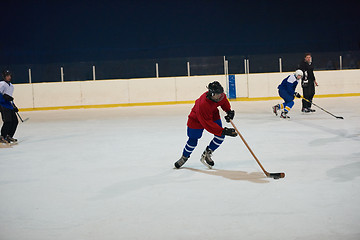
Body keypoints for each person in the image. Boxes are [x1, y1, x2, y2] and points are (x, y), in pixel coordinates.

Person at [174, 81, 237, 169]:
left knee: (220, 136)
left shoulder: (220, 96)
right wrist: (223, 131)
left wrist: (228, 111)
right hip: (196, 119)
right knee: (193, 140)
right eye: (218, 94)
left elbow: (224, 102)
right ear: (212, 94)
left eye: (221, 93)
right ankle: (184, 157)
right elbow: (208, 125)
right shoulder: (203, 104)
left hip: (213, 114)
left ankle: (207, 153)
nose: (220, 96)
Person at [0, 70, 19, 144]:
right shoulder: (1, 84)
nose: (9, 77)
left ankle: (9, 135)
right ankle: (2, 136)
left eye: (10, 76)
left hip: (9, 105)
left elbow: (10, 97)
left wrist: (14, 106)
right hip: (2, 105)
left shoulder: (11, 86)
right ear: (4, 77)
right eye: (7, 76)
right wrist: (4, 98)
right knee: (7, 121)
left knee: (15, 121)